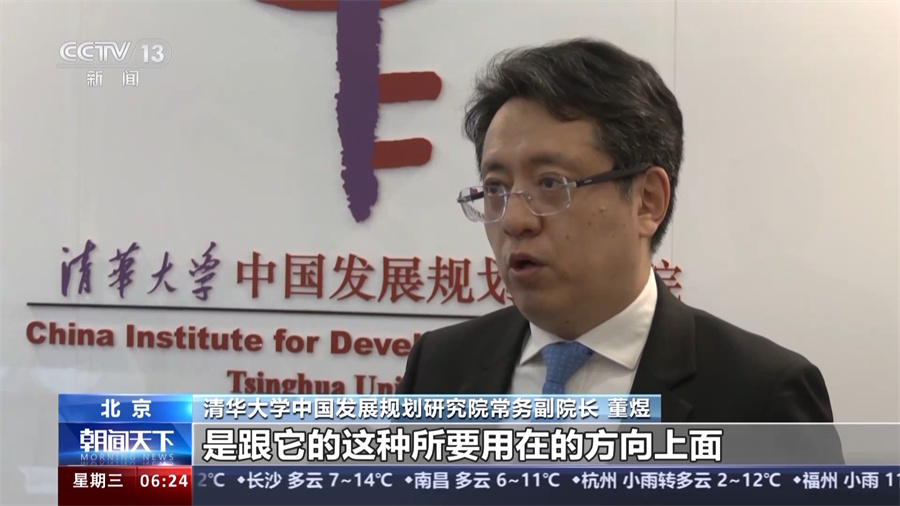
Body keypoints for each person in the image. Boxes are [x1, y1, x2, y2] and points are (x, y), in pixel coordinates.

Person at [396, 38, 838, 429]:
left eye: (550, 183)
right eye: (496, 188)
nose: (514, 220)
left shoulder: (760, 395)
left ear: (647, 201)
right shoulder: (440, 367)